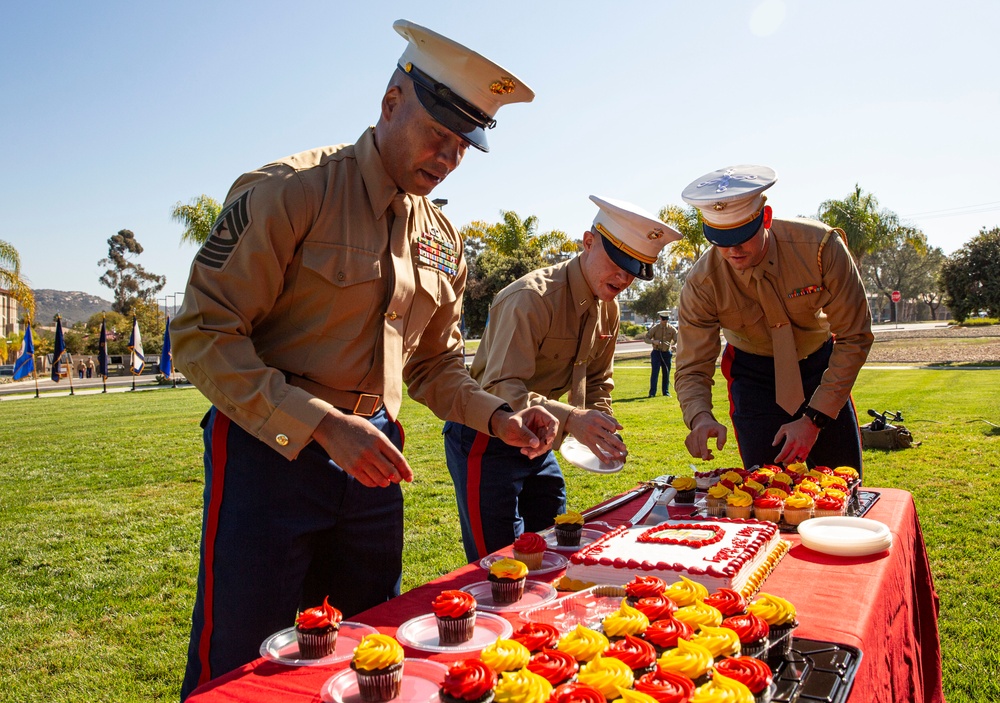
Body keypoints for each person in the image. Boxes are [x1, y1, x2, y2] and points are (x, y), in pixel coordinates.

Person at [170, 20, 557, 699]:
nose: (449, 157)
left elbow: (437, 367)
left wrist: (500, 416)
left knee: (366, 649)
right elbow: (203, 332)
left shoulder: (440, 236)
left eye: (464, 143)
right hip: (271, 450)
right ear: (389, 103)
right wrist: (320, 423)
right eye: (438, 132)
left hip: (374, 456)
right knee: (241, 656)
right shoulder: (291, 191)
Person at [444, 196, 680, 562]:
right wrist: (571, 418)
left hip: (543, 439)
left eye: (636, 269)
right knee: (500, 562)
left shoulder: (610, 308)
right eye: (617, 261)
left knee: (558, 543)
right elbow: (500, 387)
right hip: (486, 436)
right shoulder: (532, 298)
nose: (624, 276)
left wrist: (600, 424)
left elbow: (600, 377)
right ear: (588, 242)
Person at [673, 165, 873, 472]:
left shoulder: (820, 248)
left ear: (765, 218)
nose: (732, 250)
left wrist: (815, 418)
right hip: (754, 377)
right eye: (720, 240)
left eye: (741, 236)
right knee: (763, 484)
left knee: (842, 483)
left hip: (821, 369)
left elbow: (854, 335)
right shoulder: (703, 283)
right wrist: (700, 417)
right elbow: (692, 364)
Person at [642, 310, 677, 397]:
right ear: (660, 318)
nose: (665, 321)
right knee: (655, 373)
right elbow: (646, 339)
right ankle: (652, 393)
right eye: (663, 319)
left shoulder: (672, 329)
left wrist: (675, 345)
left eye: (666, 319)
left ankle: (666, 392)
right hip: (656, 353)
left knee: (666, 373)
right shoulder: (655, 328)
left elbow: (677, 339)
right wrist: (654, 341)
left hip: (667, 353)